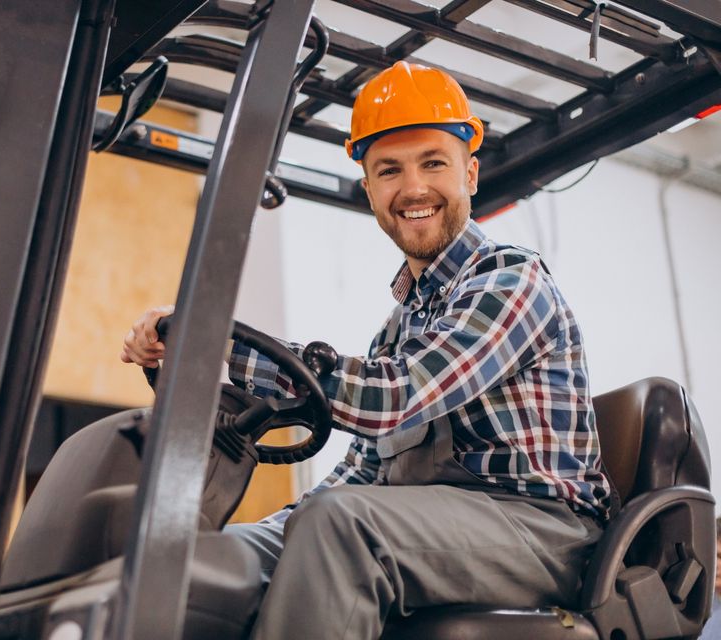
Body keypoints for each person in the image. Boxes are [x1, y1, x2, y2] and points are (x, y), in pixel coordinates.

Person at [120, 61, 612, 639]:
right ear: (370, 190)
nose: (414, 188)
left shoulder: (510, 280)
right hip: (430, 526)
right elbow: (363, 474)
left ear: (471, 174)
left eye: (433, 163)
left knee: (340, 527)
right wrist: (252, 539)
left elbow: (395, 397)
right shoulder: (397, 330)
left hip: (542, 532)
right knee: (221, 558)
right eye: (389, 171)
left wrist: (215, 344)